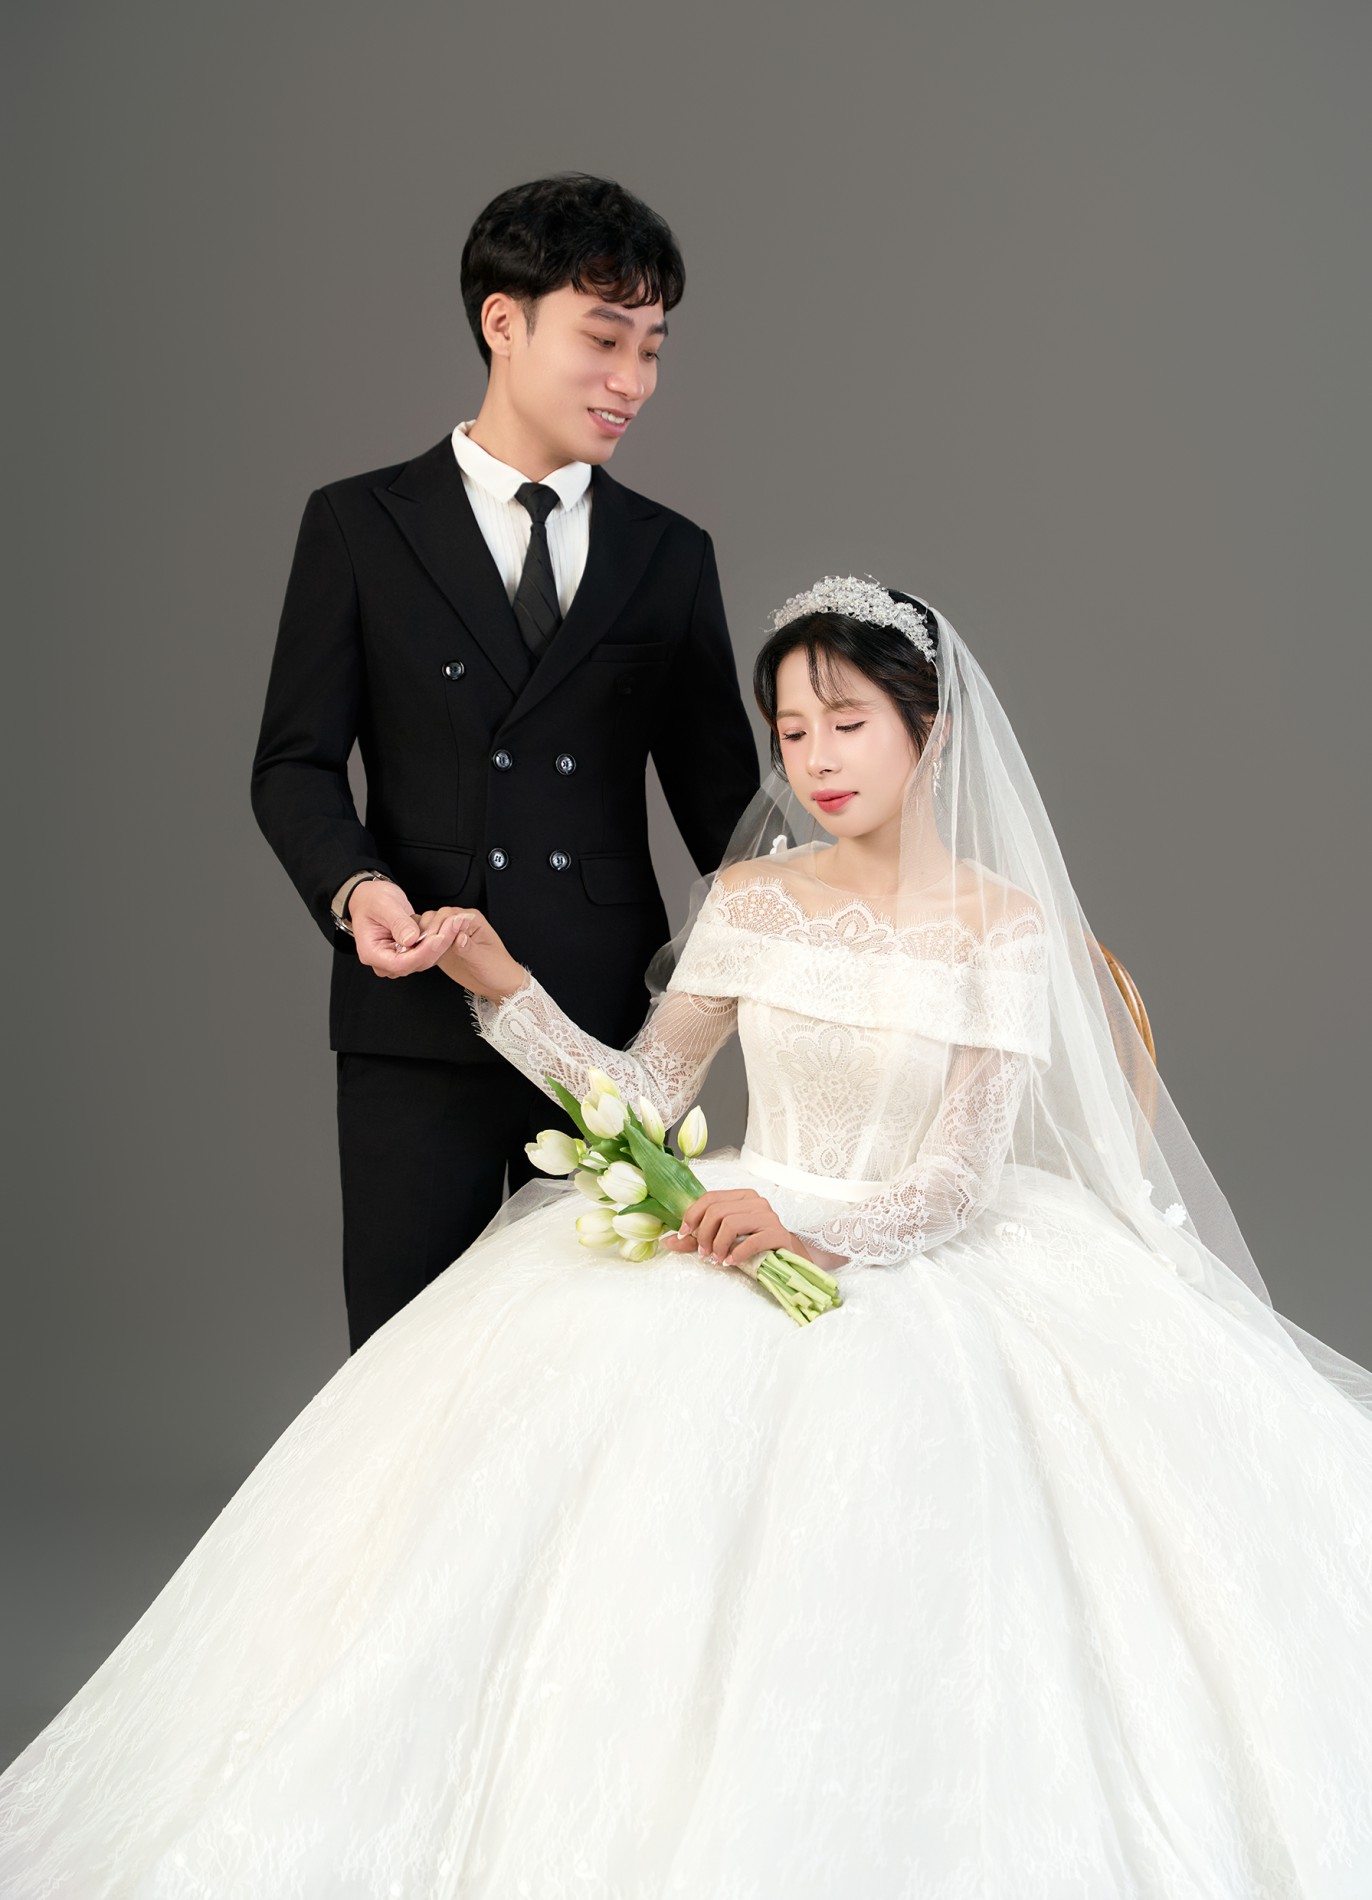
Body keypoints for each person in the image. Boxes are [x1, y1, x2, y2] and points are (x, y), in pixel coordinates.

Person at [5, 580, 1371, 1896]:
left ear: (930, 730)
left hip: (894, 1249)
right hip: (729, 1222)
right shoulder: (755, 898)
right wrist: (501, 984)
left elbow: (960, 1178)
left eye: (848, 722)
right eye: (791, 729)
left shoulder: (999, 928)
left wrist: (812, 1227)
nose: (815, 759)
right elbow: (641, 1098)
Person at [250, 172, 759, 1350]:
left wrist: (884, 922)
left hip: (601, 1036)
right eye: (603, 339)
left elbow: (732, 820)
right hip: (413, 1018)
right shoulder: (360, 526)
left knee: (592, 1370)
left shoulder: (668, 554)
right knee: (405, 1361)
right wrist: (357, 888)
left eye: (652, 348)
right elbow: (294, 763)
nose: (633, 380)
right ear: (503, 322)